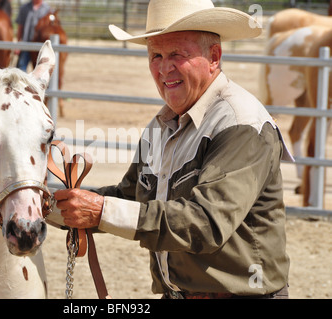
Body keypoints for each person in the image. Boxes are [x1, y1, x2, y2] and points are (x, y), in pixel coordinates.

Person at [49, 0, 292, 299]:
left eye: (177, 54)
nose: (164, 68)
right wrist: (44, 205)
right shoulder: (162, 126)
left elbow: (205, 223)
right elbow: (130, 195)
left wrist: (100, 211)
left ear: (213, 56)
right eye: (156, 55)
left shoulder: (240, 124)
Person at [15, 0, 51, 71]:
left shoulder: (48, 9)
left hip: (40, 47)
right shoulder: (24, 8)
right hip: (25, 44)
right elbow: (20, 27)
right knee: (21, 69)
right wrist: (18, 44)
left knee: (40, 71)